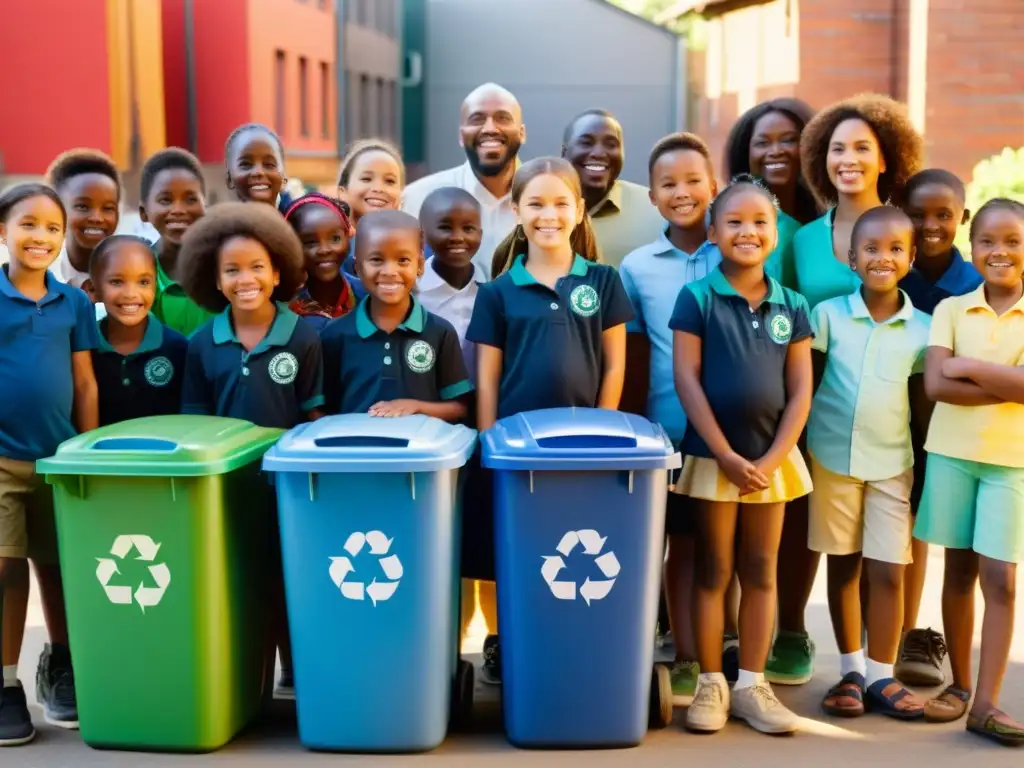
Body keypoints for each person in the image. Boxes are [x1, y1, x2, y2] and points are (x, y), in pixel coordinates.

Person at [773, 94, 922, 686]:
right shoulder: (804, 239)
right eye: (837, 148)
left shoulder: (900, 231)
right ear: (821, 159)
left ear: (886, 157)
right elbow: (780, 314)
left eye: (862, 147)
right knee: (812, 534)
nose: (848, 159)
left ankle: (887, 657)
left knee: (885, 545)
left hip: (885, 409)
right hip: (809, 402)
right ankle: (794, 633)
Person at [467, 157, 633, 684]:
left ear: (580, 211)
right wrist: (489, 442)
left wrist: (605, 434)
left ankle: (573, 647)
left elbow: (615, 364)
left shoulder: (603, 282)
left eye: (561, 203)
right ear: (516, 212)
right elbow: (487, 378)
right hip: (517, 453)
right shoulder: (497, 293)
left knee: (574, 547)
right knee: (515, 551)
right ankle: (508, 644)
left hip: (584, 449)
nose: (549, 215)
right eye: (535, 204)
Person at [672, 175, 813, 735]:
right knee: (714, 567)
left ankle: (753, 684)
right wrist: (724, 453)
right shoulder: (698, 297)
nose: (747, 231)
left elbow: (800, 387)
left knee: (760, 568)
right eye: (733, 221)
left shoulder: (792, 304)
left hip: (772, 463)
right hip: (713, 459)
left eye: (760, 222)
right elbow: (686, 377)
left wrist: (776, 456)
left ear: (775, 233)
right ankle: (711, 682)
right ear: (712, 232)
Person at [177, 202, 323, 700]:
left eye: (258, 267)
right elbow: (195, 424)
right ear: (214, 281)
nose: (246, 279)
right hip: (226, 486)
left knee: (289, 579)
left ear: (278, 272)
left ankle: (298, 669)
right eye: (232, 270)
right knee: (238, 582)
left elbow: (315, 416)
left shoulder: (304, 336)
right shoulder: (201, 344)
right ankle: (246, 680)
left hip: (286, 486)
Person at [809, 207, 930, 720]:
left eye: (896, 249)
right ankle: (852, 670)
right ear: (852, 258)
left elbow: (921, 405)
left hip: (892, 466)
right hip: (831, 458)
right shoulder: (828, 315)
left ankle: (883, 671)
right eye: (872, 249)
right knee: (843, 565)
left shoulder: (923, 329)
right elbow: (808, 385)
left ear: (911, 258)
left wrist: (923, 471)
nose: (884, 258)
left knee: (888, 570)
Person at [915, 198, 1024, 745]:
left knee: (1000, 578)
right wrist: (1004, 379)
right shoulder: (952, 310)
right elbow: (936, 387)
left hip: (1013, 463)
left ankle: (987, 703)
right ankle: (959, 686)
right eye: (987, 241)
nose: (999, 252)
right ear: (971, 246)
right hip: (952, 454)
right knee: (956, 572)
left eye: (1012, 241)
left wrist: (968, 366)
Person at [618, 132, 719, 704]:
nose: (682, 193)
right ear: (652, 197)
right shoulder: (636, 267)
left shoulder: (738, 251)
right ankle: (682, 653)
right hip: (667, 433)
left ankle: (718, 653)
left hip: (733, 435)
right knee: (676, 545)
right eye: (668, 185)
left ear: (714, 187)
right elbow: (633, 359)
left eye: (692, 181)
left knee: (720, 551)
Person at [0, 184, 100, 744]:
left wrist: (86, 455)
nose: (41, 236)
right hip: (1, 460)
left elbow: (83, 381)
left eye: (52, 228)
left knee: (61, 570)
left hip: (59, 461)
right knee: (5, 567)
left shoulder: (74, 304)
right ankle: (5, 683)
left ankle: (62, 667)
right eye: (28, 225)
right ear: (3, 232)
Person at [894, 169, 981, 688]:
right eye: (917, 213)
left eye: (942, 215)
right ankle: (901, 635)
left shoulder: (974, 284)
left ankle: (933, 641)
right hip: (893, 422)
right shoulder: (889, 270)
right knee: (900, 533)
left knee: (947, 538)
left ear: (962, 220)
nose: (929, 225)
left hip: (954, 428)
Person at [321, 209, 472, 420]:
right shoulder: (334, 335)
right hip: (354, 451)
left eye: (402, 260)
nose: (390, 271)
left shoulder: (440, 332)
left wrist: (416, 406)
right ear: (357, 267)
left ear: (419, 265)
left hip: (419, 451)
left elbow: (459, 408)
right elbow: (321, 409)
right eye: (376, 260)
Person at [402, 83, 526, 280]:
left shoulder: (547, 201)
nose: (490, 128)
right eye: (477, 119)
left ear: (522, 133)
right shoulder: (417, 198)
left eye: (502, 118)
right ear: (461, 136)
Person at [89, 235, 188, 426]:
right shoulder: (84, 348)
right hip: (100, 455)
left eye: (143, 282)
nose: (131, 294)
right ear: (94, 289)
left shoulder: (178, 349)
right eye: (117, 282)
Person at [723, 98, 819, 288]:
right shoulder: (725, 223)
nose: (775, 151)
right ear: (746, 153)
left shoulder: (826, 223)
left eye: (789, 140)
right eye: (762, 143)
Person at [561, 109, 666, 269]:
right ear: (564, 153)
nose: (598, 153)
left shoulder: (656, 210)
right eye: (586, 143)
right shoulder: (538, 210)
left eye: (611, 145)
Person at [140, 147, 211, 337]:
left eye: (190, 199)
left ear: (206, 206)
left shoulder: (221, 266)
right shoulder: (136, 270)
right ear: (144, 212)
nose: (178, 209)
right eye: (165, 200)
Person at [416, 187, 486, 372]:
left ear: (481, 234)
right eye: (445, 228)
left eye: (468, 228)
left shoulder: (491, 291)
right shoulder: (412, 294)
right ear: (422, 236)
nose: (458, 237)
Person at [46, 149, 122, 297]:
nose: (97, 218)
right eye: (83, 206)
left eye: (108, 208)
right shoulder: (39, 276)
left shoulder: (135, 275)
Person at [336, 139, 405, 299]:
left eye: (390, 181)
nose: (378, 188)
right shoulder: (329, 246)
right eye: (366, 179)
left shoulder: (414, 246)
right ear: (343, 191)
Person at [283, 193, 357, 331]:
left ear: (348, 237)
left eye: (335, 239)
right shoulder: (283, 307)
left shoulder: (367, 295)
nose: (324, 250)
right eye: (310, 242)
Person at [224, 123, 287, 207]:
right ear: (229, 178)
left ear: (283, 176)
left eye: (269, 164)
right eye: (246, 164)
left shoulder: (297, 217)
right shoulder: (220, 220)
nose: (258, 172)